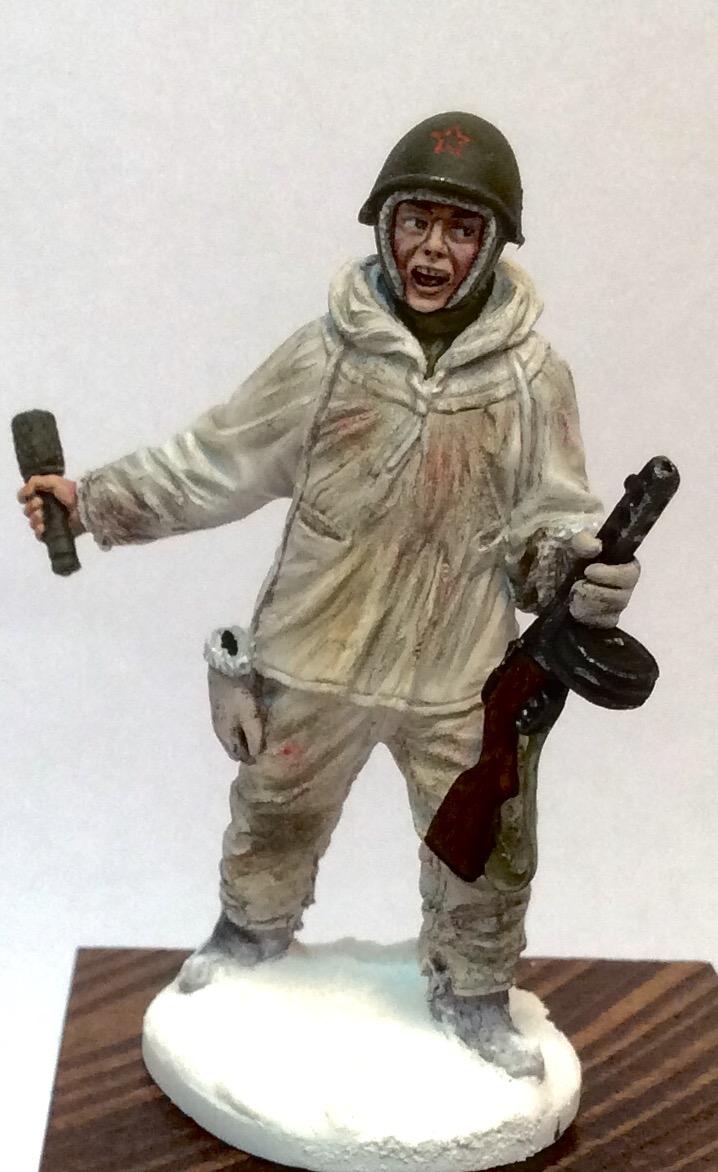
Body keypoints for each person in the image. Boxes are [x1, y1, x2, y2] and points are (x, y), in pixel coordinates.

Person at [19, 112, 639, 1079]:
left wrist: (579, 572)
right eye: (416, 221)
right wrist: (93, 502)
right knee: (274, 813)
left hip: (459, 673)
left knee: (487, 849)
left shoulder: (532, 382)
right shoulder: (326, 357)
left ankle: (475, 993)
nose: (432, 249)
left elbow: (550, 521)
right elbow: (212, 462)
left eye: (461, 229)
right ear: (384, 225)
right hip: (313, 651)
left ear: (492, 245)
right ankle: (248, 944)